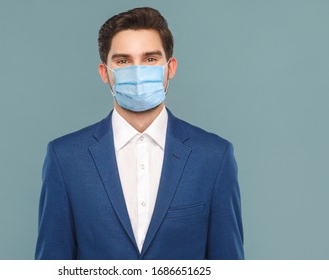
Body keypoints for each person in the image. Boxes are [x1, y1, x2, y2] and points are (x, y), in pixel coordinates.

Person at [35, 7, 244, 260]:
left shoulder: (214, 157)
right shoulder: (65, 158)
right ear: (104, 73)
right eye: (123, 61)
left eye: (150, 59)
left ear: (170, 67)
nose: (137, 71)